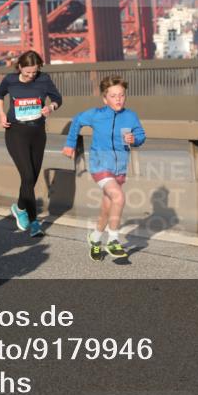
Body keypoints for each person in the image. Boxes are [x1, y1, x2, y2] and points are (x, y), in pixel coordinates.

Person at [62, 75, 145, 262]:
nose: (118, 99)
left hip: (120, 168)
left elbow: (140, 134)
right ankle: (113, 240)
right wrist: (70, 144)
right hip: (100, 165)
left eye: (121, 95)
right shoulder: (96, 114)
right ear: (105, 99)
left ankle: (95, 237)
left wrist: (135, 139)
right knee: (119, 197)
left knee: (108, 208)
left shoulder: (130, 116)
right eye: (114, 96)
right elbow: (77, 121)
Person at [0, 50, 62, 238]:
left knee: (30, 177)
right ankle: (34, 223)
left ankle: (20, 207)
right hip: (16, 132)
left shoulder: (44, 79)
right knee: (27, 175)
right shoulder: (10, 79)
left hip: (38, 133)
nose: (31, 75)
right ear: (20, 68)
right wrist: (1, 114)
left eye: (34, 72)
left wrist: (51, 107)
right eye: (27, 72)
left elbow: (58, 99)